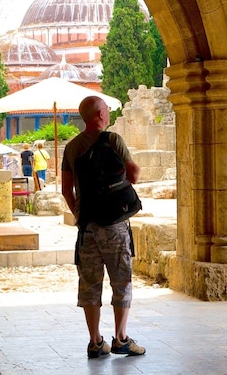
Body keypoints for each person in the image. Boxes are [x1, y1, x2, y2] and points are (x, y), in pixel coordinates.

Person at [61, 96, 146, 359]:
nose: (108, 113)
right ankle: (121, 338)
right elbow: (134, 174)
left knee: (89, 283)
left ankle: (95, 341)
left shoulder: (72, 147)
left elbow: (66, 189)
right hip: (115, 225)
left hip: (88, 227)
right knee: (121, 279)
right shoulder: (112, 140)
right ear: (99, 115)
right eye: (107, 110)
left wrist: (80, 215)